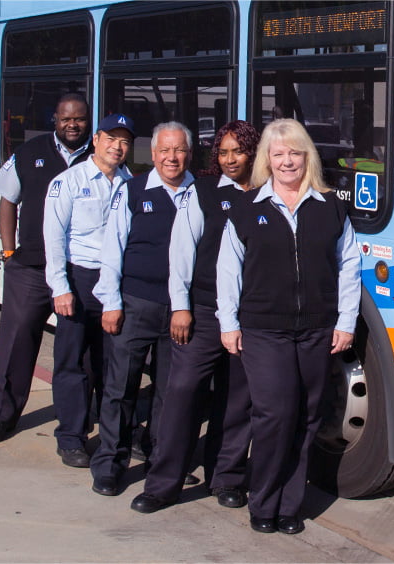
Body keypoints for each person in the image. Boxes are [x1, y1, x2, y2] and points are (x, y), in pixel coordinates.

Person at [216, 119, 361, 534]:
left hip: (316, 330)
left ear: (306, 157)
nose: (286, 162)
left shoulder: (330, 206)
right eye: (278, 154)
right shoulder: (247, 208)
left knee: (306, 417)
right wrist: (229, 324)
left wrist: (345, 321)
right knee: (274, 414)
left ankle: (289, 507)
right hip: (263, 330)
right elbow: (228, 270)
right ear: (267, 159)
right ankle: (262, 503)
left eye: (294, 153)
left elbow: (350, 266)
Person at [130, 121, 260, 514]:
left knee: (237, 402)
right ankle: (163, 484)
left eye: (238, 151)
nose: (230, 159)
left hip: (247, 317)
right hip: (202, 311)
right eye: (223, 152)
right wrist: (181, 307)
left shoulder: (267, 196)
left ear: (252, 153)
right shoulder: (200, 193)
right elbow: (181, 253)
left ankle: (228, 479)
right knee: (182, 395)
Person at [89, 122, 195, 496]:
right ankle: (109, 464)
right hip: (135, 305)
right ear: (152, 155)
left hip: (182, 312)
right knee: (121, 388)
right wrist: (112, 303)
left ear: (189, 153)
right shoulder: (131, 191)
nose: (171, 157)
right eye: (164, 150)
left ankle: (161, 461)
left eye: (179, 150)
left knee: (171, 393)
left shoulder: (200, 193)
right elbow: (111, 251)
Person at [0, 93, 92, 443]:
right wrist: (9, 251)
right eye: (65, 119)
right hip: (29, 268)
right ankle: (1, 416)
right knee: (16, 341)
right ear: (54, 120)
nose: (72, 125)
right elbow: (7, 200)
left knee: (79, 350)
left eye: (79, 119)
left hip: (77, 271)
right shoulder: (30, 153)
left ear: (88, 120)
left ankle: (79, 421)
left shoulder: (100, 155)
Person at [43, 113, 135, 468]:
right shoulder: (68, 181)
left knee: (111, 364)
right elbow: (54, 239)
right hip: (79, 280)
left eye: (125, 141)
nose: (118, 146)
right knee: (72, 363)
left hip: (116, 284)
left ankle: (113, 435)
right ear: (96, 139)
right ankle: (71, 437)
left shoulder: (130, 184)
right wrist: (60, 288)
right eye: (111, 138)